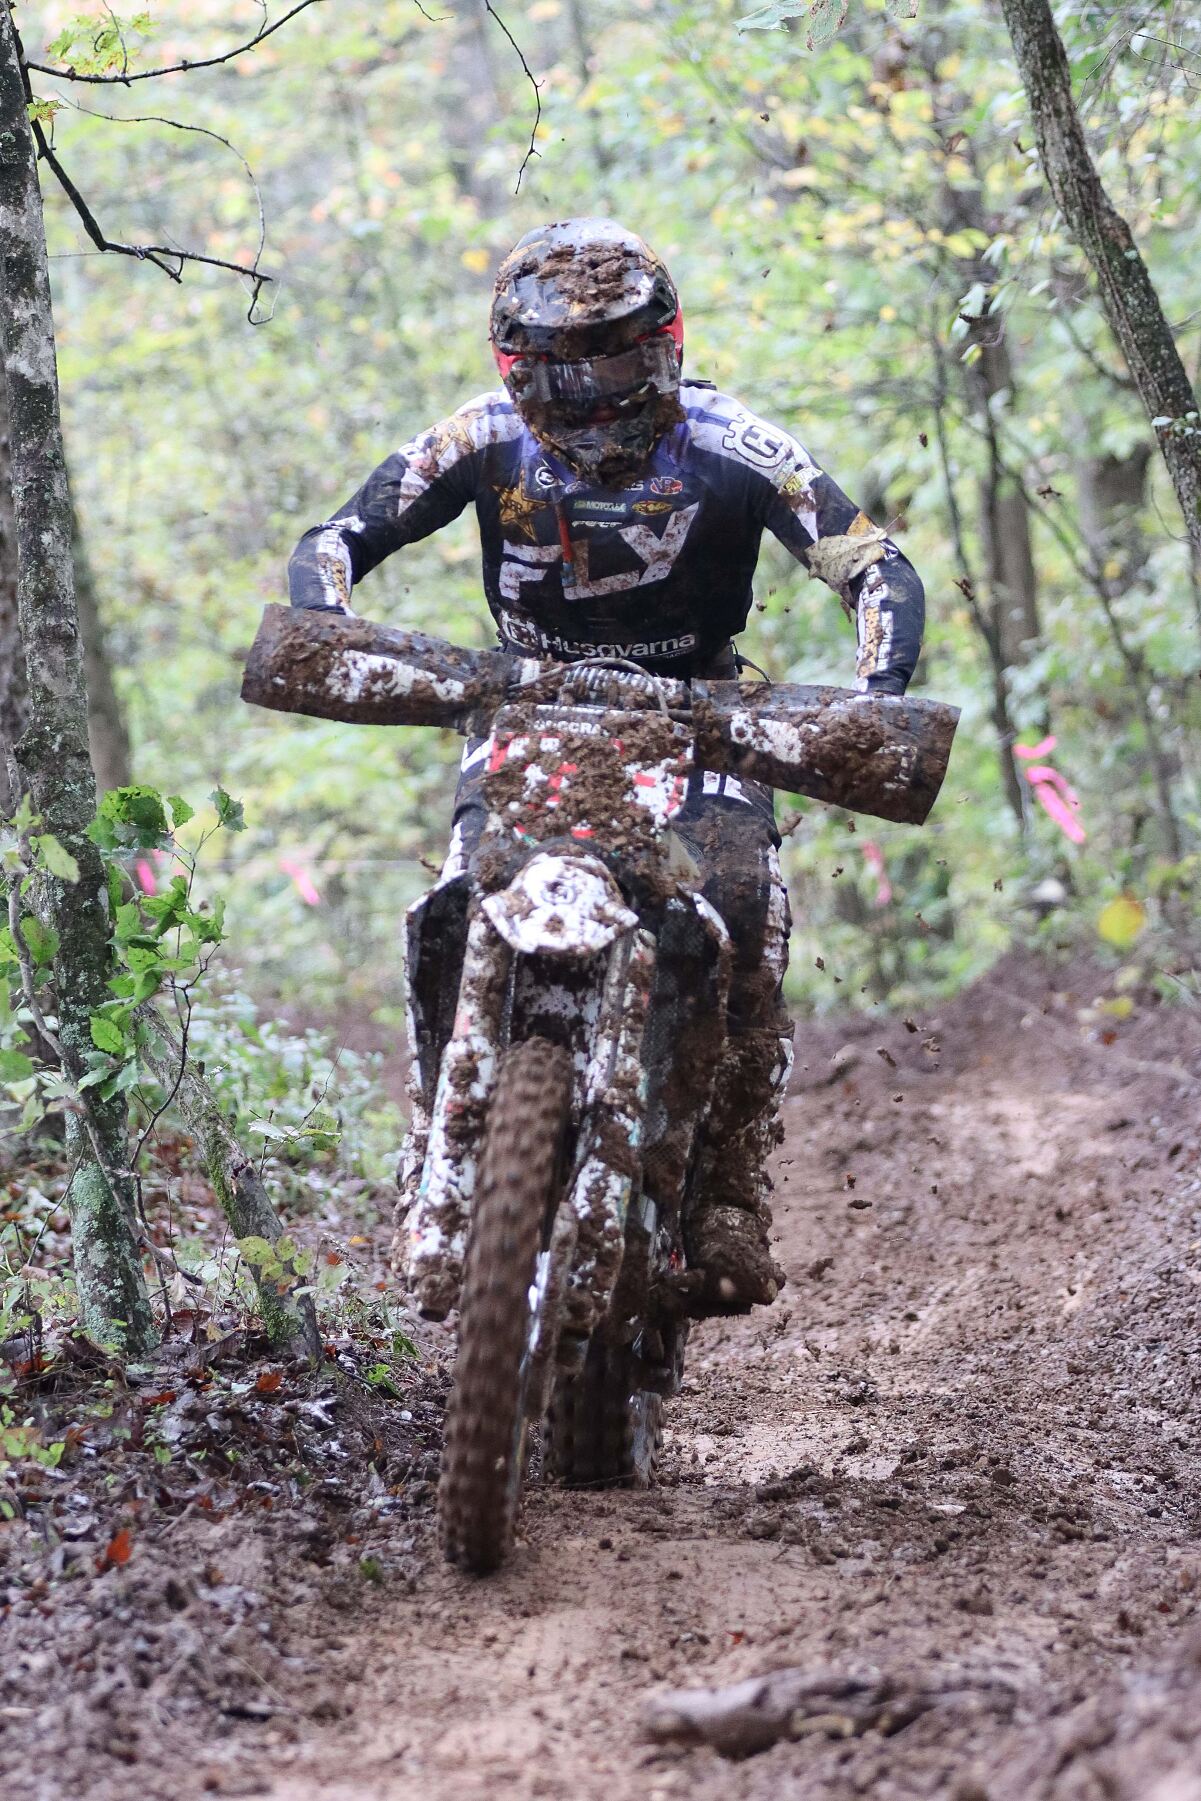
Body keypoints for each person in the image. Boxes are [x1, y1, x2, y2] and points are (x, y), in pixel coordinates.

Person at [289, 217, 925, 1313]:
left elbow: (872, 567)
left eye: (616, 358)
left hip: (701, 717)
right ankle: (433, 1135)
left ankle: (726, 1181)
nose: (587, 391)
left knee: (741, 907)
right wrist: (330, 624)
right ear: (511, 364)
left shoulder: (736, 445)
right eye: (555, 366)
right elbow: (337, 539)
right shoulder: (479, 438)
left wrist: (873, 705)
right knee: (453, 904)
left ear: (665, 344)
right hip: (531, 706)